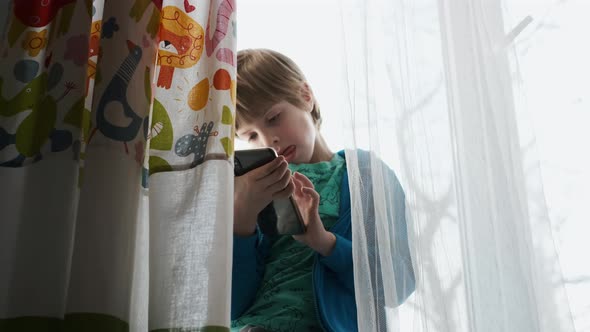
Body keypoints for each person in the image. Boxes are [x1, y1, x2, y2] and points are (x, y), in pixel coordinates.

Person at [231, 48, 415, 332]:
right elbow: (231, 306)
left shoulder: (365, 174)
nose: (270, 140)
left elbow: (399, 284)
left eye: (273, 117)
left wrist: (324, 241)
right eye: (251, 136)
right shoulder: (252, 187)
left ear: (305, 95)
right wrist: (242, 218)